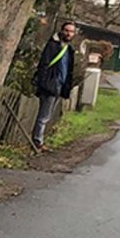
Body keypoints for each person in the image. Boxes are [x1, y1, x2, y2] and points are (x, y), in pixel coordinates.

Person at [32, 21, 76, 150]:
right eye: (67, 30)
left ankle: (40, 140)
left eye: (72, 31)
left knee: (48, 116)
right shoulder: (52, 46)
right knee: (44, 116)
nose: (69, 33)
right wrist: (45, 83)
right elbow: (43, 65)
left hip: (60, 86)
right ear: (62, 30)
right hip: (50, 86)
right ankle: (37, 142)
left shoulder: (69, 49)